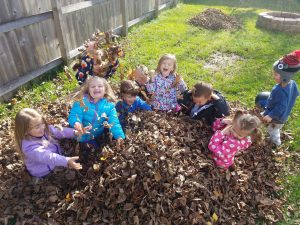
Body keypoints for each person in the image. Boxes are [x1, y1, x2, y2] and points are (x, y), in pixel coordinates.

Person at [68, 76, 125, 163]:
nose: (96, 88)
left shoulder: (109, 105)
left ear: (105, 89)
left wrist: (119, 136)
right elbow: (75, 114)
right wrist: (76, 123)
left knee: (97, 153)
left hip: (96, 134)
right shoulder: (82, 101)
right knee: (83, 152)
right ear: (88, 90)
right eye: (93, 86)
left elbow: (114, 122)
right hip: (81, 133)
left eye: (99, 86)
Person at [14, 108, 82, 178]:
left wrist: (74, 132)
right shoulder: (29, 148)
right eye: (37, 127)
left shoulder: (43, 130)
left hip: (55, 158)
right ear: (26, 131)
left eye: (41, 123)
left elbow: (58, 132)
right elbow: (48, 157)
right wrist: (66, 161)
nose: (42, 127)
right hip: (44, 171)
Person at [257, 50, 300, 146]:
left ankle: (276, 142)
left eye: (276, 74)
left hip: (278, 118)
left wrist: (271, 115)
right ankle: (265, 115)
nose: (273, 76)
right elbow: (296, 93)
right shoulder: (292, 83)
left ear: (285, 77)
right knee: (266, 120)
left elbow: (281, 107)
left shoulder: (278, 90)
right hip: (283, 113)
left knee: (273, 129)